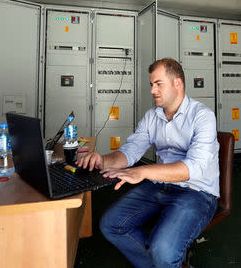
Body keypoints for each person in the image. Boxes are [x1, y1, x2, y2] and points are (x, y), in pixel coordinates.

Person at [77, 58, 219, 268]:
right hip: (159, 185)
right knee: (110, 225)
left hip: (196, 193)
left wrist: (142, 172)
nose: (152, 90)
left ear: (177, 83)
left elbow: (193, 168)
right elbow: (130, 151)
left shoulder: (202, 116)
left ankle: (165, 260)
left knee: (162, 250)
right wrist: (104, 160)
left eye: (158, 84)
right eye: (151, 84)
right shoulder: (152, 116)